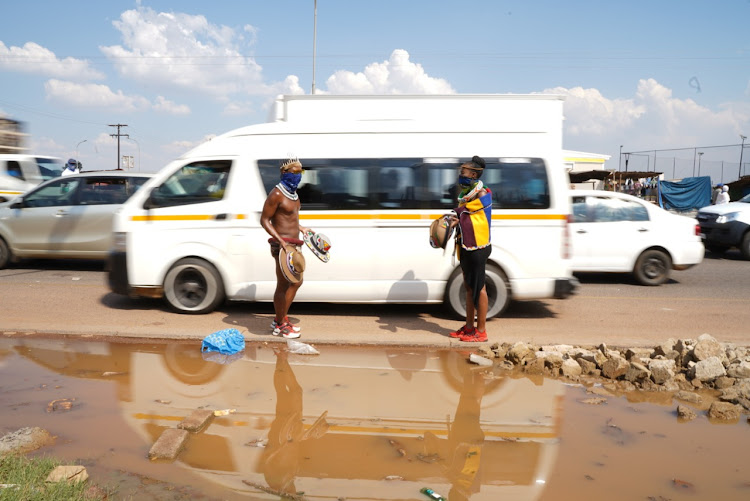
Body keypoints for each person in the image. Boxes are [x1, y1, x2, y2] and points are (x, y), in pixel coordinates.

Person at [260, 158, 312, 339]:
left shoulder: (294, 196)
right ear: (284, 173)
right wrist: (280, 240)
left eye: (300, 173)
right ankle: (281, 324)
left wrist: (302, 228)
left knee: (290, 283)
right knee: (290, 283)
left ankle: (279, 320)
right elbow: (264, 220)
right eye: (294, 172)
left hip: (293, 245)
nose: (297, 176)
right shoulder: (276, 194)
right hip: (281, 246)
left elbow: (290, 220)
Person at [448, 156, 492, 342]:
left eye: (463, 173)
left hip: (478, 247)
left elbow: (480, 221)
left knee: (479, 288)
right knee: (468, 287)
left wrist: (459, 218)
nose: (460, 176)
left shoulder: (482, 194)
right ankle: (468, 328)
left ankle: (480, 332)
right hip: (466, 245)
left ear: (473, 174)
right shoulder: (467, 194)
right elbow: (465, 214)